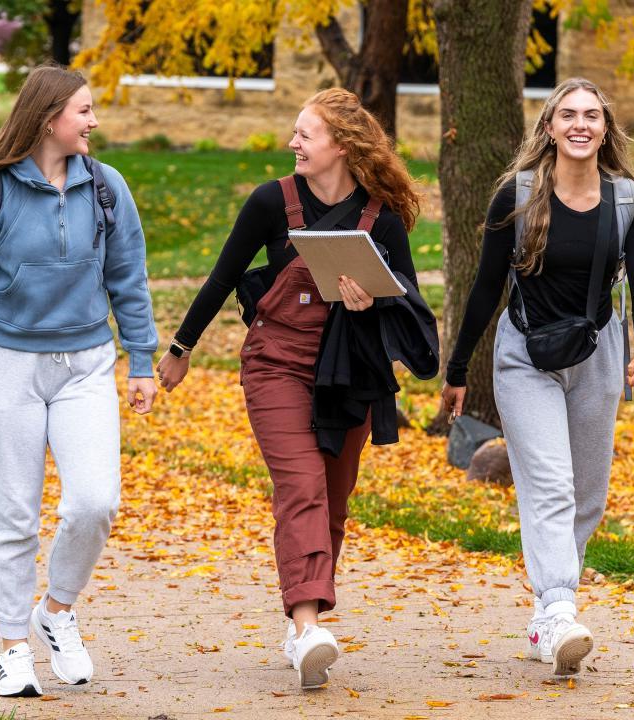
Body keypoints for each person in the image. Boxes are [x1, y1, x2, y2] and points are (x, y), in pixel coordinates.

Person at [155, 88, 434, 690]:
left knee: (332, 501)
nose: (293, 143)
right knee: (301, 486)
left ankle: (302, 622)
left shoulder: (381, 218)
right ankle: (308, 626)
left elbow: (409, 307)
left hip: (349, 372)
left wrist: (370, 301)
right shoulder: (270, 202)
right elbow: (223, 276)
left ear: (342, 144)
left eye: (305, 134)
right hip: (276, 364)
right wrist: (180, 348)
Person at [0, 65, 158, 698]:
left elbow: (129, 280)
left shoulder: (107, 189)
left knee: (95, 501)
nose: (94, 121)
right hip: (4, 364)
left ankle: (56, 611)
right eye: (84, 110)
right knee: (13, 515)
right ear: (48, 116)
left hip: (86, 363)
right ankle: (12, 648)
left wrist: (141, 359)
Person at [440, 77, 634, 677]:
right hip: (525, 357)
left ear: (606, 128)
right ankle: (562, 606)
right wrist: (458, 369)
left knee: (587, 494)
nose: (581, 125)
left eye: (592, 115)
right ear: (550, 127)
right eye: (569, 115)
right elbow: (484, 288)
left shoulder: (625, 199)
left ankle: (546, 616)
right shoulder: (517, 194)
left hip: (597, 352)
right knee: (551, 482)